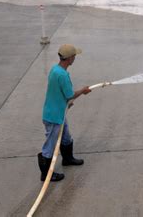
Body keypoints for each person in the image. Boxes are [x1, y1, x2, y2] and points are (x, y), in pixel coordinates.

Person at [37, 44, 92, 182]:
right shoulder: (63, 75)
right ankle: (46, 174)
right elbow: (70, 95)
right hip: (54, 116)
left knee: (66, 137)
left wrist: (66, 104)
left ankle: (68, 159)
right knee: (50, 145)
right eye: (74, 56)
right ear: (69, 58)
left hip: (56, 112)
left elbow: (57, 92)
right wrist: (83, 91)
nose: (75, 58)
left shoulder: (55, 70)